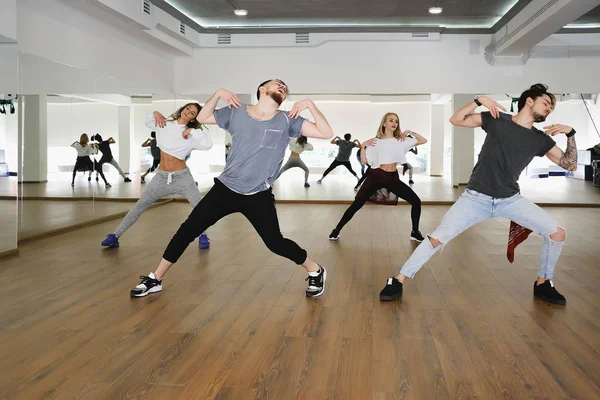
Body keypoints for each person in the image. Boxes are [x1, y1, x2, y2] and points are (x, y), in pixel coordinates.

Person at [129, 79, 335, 298]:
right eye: (277, 84)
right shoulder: (236, 112)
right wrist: (218, 93)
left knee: (275, 243)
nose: (282, 86)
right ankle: (155, 278)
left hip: (258, 194)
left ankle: (316, 270)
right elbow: (202, 118)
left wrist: (310, 105)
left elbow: (326, 133)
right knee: (188, 230)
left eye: (284, 87)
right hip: (226, 189)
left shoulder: (288, 120)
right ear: (262, 89)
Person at [379, 84, 577, 306]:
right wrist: (479, 99)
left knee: (557, 234)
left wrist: (570, 134)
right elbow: (456, 119)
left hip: (510, 200)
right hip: (475, 198)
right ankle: (398, 280)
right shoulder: (497, 119)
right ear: (529, 101)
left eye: (551, 106)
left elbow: (569, 164)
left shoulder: (540, 139)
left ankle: (543, 283)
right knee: (437, 238)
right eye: (546, 103)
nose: (549, 109)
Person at [101, 103, 212, 249]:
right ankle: (115, 236)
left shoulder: (191, 134)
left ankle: (203, 235)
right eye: (187, 109)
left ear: (193, 118)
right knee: (140, 205)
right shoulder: (164, 124)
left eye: (192, 113)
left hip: (182, 177)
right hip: (161, 177)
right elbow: (148, 122)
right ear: (182, 108)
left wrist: (192, 130)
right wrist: (154, 113)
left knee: (199, 207)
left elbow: (208, 144)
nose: (188, 112)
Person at [329, 112, 427, 242]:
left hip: (392, 178)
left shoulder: (401, 141)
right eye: (391, 120)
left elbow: (423, 140)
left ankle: (415, 232)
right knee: (356, 204)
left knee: (416, 201)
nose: (394, 123)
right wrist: (363, 146)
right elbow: (364, 162)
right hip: (376, 176)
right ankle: (336, 230)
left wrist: (410, 131)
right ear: (384, 123)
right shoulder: (375, 142)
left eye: (396, 121)